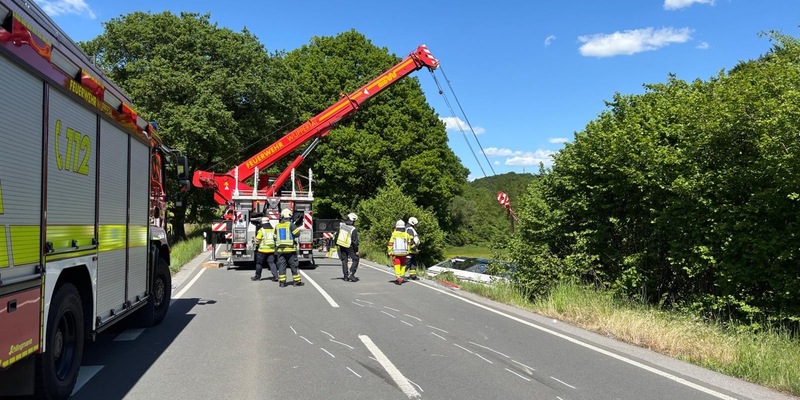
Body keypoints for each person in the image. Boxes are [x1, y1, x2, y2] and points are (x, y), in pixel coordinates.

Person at [274, 208, 304, 287]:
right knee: (293, 265)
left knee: (281, 266)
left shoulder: (277, 226)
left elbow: (275, 237)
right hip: (290, 249)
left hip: (280, 250)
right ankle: (296, 281)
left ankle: (282, 282)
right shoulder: (291, 225)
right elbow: (297, 234)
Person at [335, 213, 360, 282]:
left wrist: (336, 244)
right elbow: (354, 241)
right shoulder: (353, 229)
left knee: (344, 260)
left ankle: (345, 276)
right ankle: (351, 274)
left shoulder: (342, 226)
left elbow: (336, 235)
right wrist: (356, 251)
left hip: (341, 245)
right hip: (349, 246)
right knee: (355, 259)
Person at [387, 219, 413, 285]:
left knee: (397, 264)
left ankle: (398, 277)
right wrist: (408, 251)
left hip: (396, 253)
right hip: (404, 253)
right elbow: (409, 244)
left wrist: (390, 252)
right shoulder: (407, 235)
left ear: (396, 227)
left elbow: (390, 243)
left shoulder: (394, 234)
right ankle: (401, 276)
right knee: (403, 264)